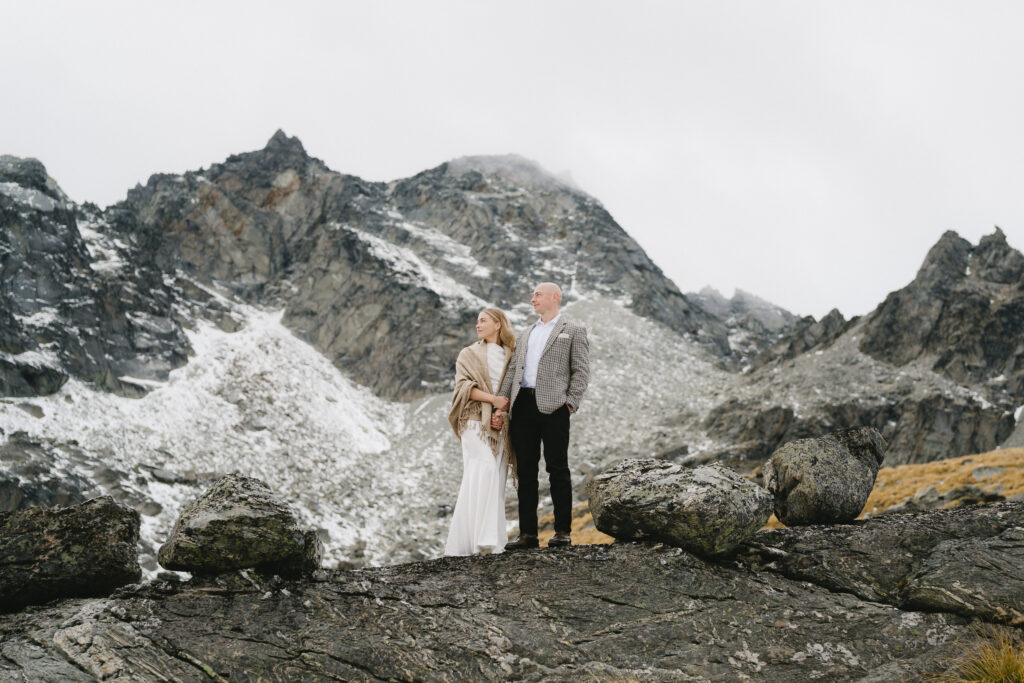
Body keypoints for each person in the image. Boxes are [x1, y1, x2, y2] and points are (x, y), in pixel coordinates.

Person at [494, 283, 590, 549]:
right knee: (525, 472)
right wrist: (500, 406)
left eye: (538, 294)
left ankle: (562, 532)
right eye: (533, 294)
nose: (532, 298)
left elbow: (581, 371)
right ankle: (528, 535)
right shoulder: (527, 333)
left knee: (557, 468)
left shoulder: (572, 330)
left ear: (555, 297)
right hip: (522, 405)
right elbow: (513, 370)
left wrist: (570, 404)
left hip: (555, 407)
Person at [444, 308, 516, 556]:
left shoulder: (511, 355)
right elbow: (463, 388)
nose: (478, 325)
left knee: (494, 478)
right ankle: (482, 539)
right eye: (476, 321)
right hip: (473, 421)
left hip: (500, 426)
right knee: (484, 469)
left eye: (483, 321)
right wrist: (493, 401)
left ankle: (486, 542)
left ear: (498, 324)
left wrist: (500, 414)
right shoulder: (469, 354)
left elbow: (513, 391)